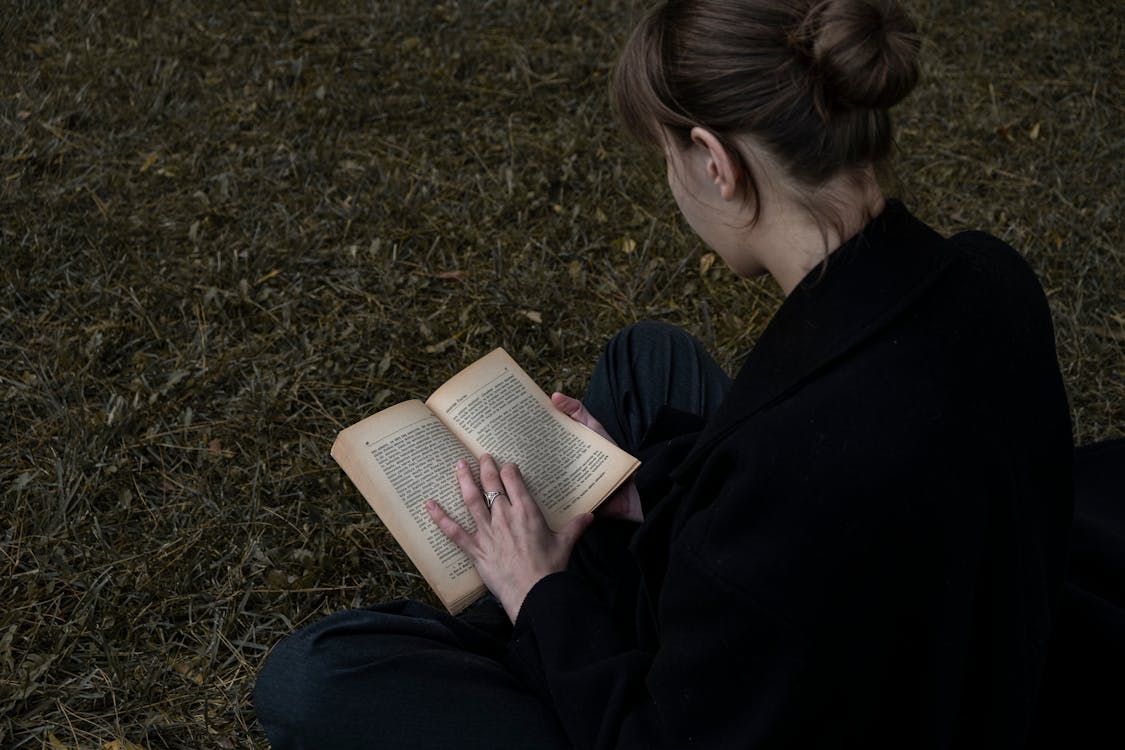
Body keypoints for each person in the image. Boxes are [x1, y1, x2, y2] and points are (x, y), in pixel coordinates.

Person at [253, 0, 1103, 746]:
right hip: (909, 626)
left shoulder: (784, 481)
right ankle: (550, 564)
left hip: (769, 702)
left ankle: (519, 607)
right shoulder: (990, 277)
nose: (671, 183)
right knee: (646, 357)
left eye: (663, 156)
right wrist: (646, 492)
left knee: (316, 677)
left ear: (712, 160)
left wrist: (539, 590)